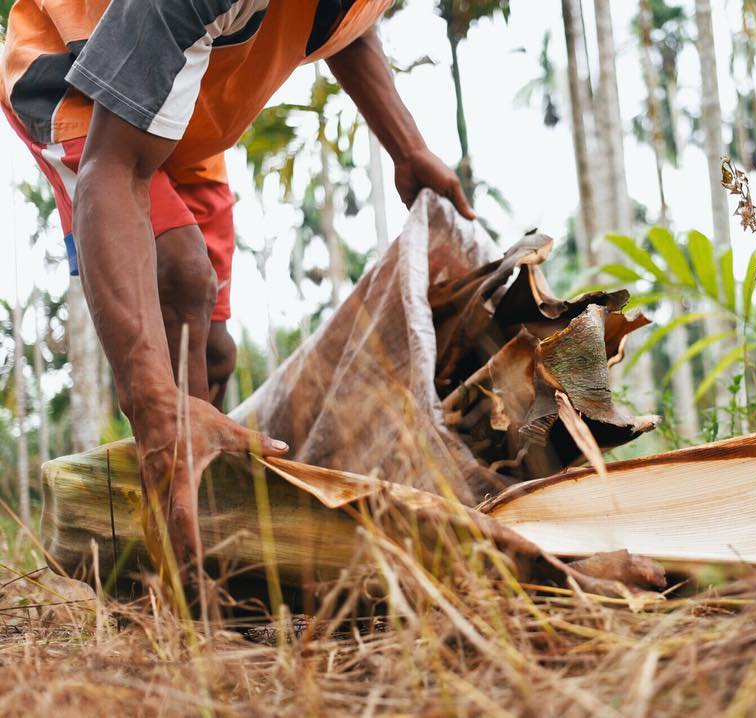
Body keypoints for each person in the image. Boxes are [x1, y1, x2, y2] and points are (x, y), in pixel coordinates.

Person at [1, 0, 475, 571]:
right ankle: (184, 564)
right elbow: (117, 168)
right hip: (76, 75)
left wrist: (408, 148)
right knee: (179, 276)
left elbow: (345, 25)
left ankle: (198, 512)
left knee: (213, 354)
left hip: (189, 95)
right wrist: (156, 408)